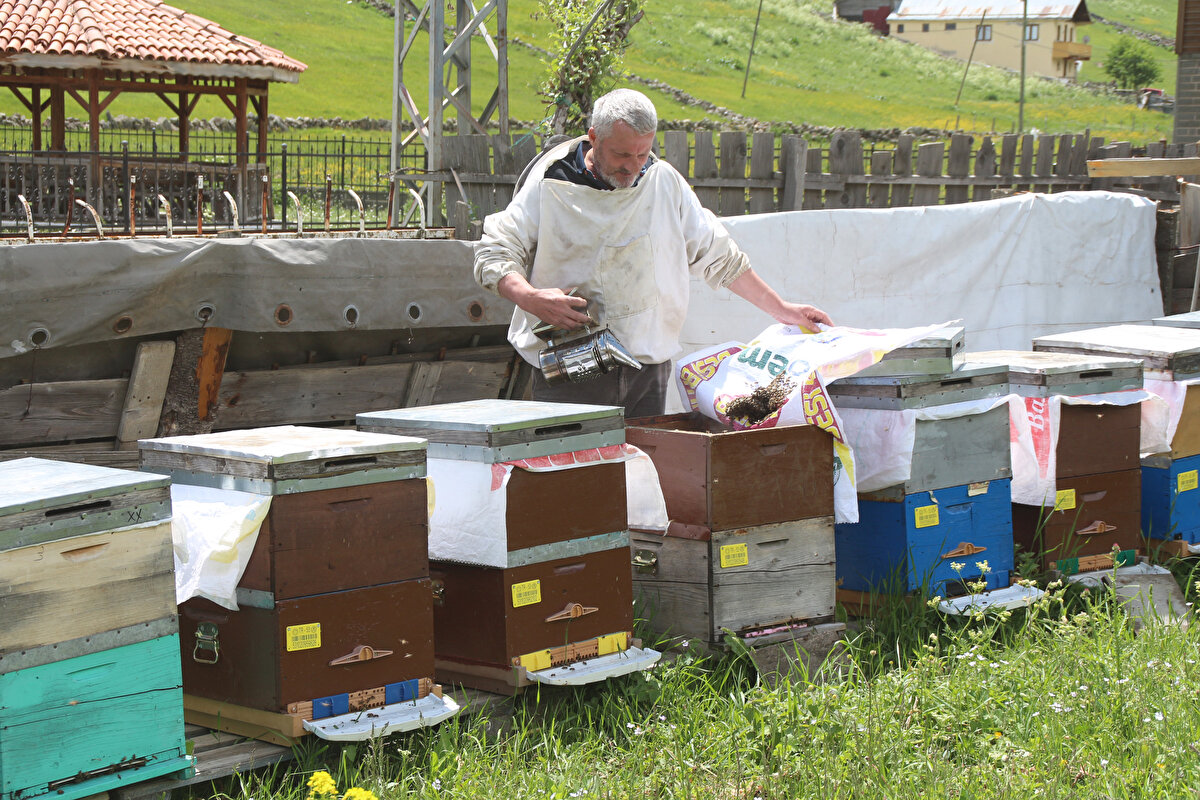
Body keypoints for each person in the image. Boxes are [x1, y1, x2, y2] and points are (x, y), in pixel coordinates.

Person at [473, 88, 831, 417]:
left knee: (640, 478)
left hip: (647, 370)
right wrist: (530, 297)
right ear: (594, 137)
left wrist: (782, 310)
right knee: (572, 481)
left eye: (642, 153)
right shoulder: (552, 181)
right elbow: (495, 251)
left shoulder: (664, 182)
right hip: (569, 366)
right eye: (621, 154)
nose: (632, 165)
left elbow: (719, 255)